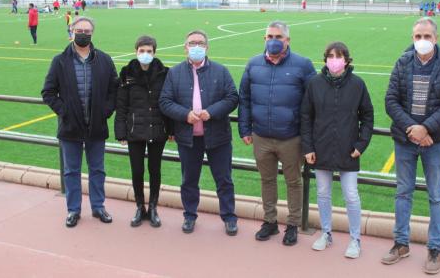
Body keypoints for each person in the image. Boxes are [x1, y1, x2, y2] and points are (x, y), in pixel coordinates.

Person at [381, 17, 440, 275]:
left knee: (436, 196)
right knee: (403, 193)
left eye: (427, 36)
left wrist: (426, 128)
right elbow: (391, 100)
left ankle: (435, 248)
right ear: (412, 38)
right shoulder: (402, 62)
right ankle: (401, 244)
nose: (422, 41)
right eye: (418, 37)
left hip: (434, 142)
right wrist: (413, 129)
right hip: (405, 140)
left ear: (436, 38)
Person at [238, 21, 316, 246]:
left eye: (278, 36)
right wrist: (245, 128)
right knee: (267, 180)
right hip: (261, 136)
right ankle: (270, 221)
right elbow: (244, 99)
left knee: (294, 182)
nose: (273, 40)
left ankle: (292, 225)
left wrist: (307, 138)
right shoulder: (253, 64)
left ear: (287, 40)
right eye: (269, 36)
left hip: (291, 138)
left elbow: (312, 103)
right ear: (264, 39)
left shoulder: (303, 65)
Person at [159, 30, 239, 236]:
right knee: (189, 180)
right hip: (188, 138)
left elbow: (232, 97)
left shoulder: (220, 71)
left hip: (218, 137)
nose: (196, 46)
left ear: (207, 47)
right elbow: (165, 102)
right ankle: (189, 216)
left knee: (223, 179)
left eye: (200, 43)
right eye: (192, 43)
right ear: (185, 47)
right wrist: (185, 115)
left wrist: (211, 112)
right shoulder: (174, 73)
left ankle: (229, 217)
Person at [41, 16, 118, 228]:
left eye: (87, 30)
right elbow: (48, 92)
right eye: (79, 30)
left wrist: (106, 111)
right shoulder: (60, 61)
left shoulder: (104, 59)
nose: (83, 33)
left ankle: (98, 206)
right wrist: (64, 112)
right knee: (71, 171)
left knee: (97, 170)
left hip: (96, 126)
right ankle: (73, 210)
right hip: (70, 127)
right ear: (72, 31)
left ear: (92, 33)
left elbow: (114, 89)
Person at [301, 41, 373, 259]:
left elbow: (367, 117)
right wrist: (308, 147)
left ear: (347, 60)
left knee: (351, 195)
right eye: (330, 56)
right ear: (325, 60)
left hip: (348, 150)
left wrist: (361, 145)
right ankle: (326, 233)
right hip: (320, 149)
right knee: (323, 194)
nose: (334, 60)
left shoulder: (358, 84)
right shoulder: (314, 84)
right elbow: (306, 117)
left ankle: (355, 239)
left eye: (338, 56)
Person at [115, 36, 173, 228]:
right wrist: (121, 131)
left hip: (158, 129)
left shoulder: (165, 73)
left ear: (154, 52)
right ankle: (140, 206)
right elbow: (121, 104)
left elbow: (170, 103)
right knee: (137, 170)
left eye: (149, 51)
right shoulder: (126, 73)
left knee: (154, 170)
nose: (145, 54)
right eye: (142, 51)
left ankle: (153, 207)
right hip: (135, 130)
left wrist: (171, 129)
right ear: (136, 51)